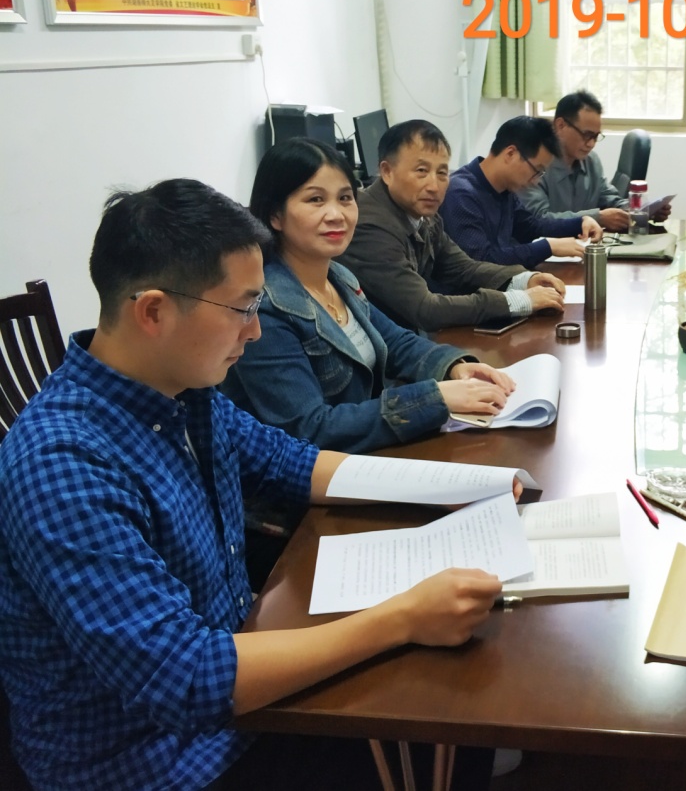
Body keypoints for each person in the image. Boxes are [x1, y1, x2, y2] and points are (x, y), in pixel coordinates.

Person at [0, 179, 506, 791]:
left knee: (452, 720)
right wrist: (403, 618)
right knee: (440, 725)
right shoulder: (62, 462)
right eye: (242, 309)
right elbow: (188, 677)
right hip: (159, 763)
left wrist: (465, 484)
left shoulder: (183, 392)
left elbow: (293, 463)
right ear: (153, 312)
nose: (255, 331)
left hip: (238, 702)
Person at [222, 137, 513, 456]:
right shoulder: (266, 309)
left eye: (345, 198)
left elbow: (397, 342)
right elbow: (309, 428)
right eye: (316, 200)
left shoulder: (338, 276)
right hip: (318, 479)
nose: (337, 214)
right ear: (276, 215)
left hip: (367, 456)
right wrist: (435, 398)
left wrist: (454, 366)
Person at [337, 118, 566, 332]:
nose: (434, 186)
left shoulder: (422, 212)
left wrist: (523, 280)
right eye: (421, 171)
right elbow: (424, 309)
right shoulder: (369, 226)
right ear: (387, 172)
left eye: (442, 172)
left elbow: (463, 268)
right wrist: (518, 301)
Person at [441, 115, 603, 267]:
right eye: (537, 170)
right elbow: (480, 260)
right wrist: (548, 247)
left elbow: (531, 227)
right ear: (510, 154)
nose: (536, 180)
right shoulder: (460, 194)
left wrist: (580, 223)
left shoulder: (505, 189)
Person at [522, 90, 672, 229]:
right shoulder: (533, 165)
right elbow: (538, 220)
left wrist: (642, 211)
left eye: (595, 136)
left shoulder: (591, 161)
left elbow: (609, 199)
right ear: (560, 125)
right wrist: (597, 218)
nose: (591, 144)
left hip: (585, 244)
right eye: (586, 135)